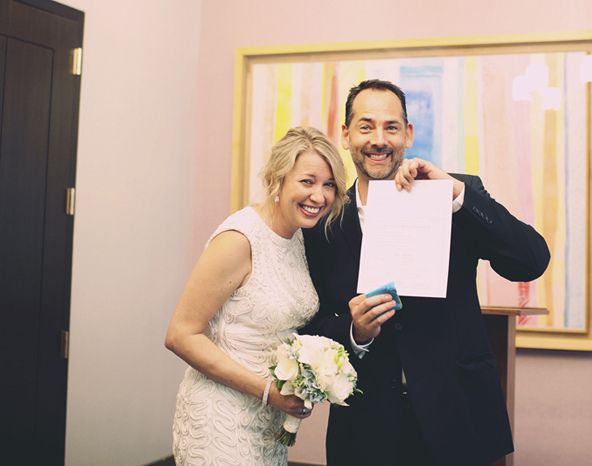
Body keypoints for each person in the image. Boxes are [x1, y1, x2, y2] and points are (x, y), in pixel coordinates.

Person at [302, 80, 551, 466]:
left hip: (456, 418)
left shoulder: (454, 195)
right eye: (366, 127)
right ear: (347, 135)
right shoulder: (325, 223)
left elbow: (531, 261)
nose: (378, 139)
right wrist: (354, 332)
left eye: (391, 127)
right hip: (365, 428)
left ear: (409, 134)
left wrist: (455, 195)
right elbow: (307, 324)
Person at [165, 126, 349, 466]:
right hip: (220, 417)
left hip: (267, 424)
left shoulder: (296, 237)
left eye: (329, 185)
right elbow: (180, 334)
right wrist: (267, 391)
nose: (319, 196)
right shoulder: (239, 239)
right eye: (307, 181)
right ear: (278, 180)